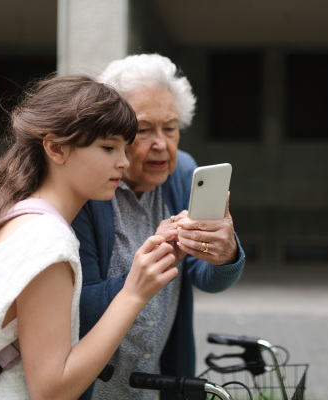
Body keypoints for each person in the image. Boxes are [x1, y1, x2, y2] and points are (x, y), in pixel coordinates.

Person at [0, 75, 178, 399]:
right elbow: (52, 388)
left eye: (123, 147)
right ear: (56, 148)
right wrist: (134, 294)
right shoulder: (48, 241)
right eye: (108, 147)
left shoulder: (19, 216)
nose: (123, 161)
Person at [72, 53, 246, 400]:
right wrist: (144, 274)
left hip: (156, 386)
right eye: (144, 129)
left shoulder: (182, 173)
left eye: (170, 128)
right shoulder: (89, 188)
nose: (162, 145)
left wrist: (225, 254)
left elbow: (206, 277)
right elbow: (78, 309)